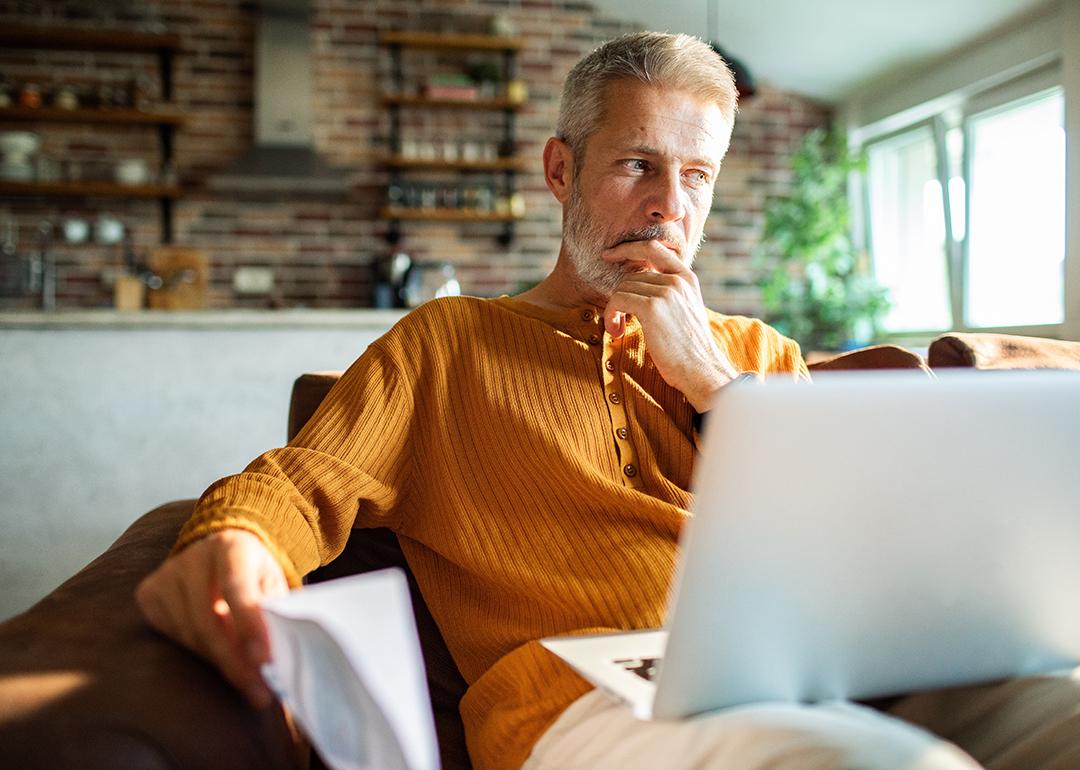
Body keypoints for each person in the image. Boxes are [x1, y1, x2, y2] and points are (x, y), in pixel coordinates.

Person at [137, 32, 1080, 770]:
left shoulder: (756, 353)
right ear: (561, 171)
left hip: (825, 673)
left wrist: (712, 380)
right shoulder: (449, 342)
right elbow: (302, 483)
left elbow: (863, 548)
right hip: (587, 701)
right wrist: (236, 543)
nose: (670, 206)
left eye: (697, 174)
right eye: (638, 165)